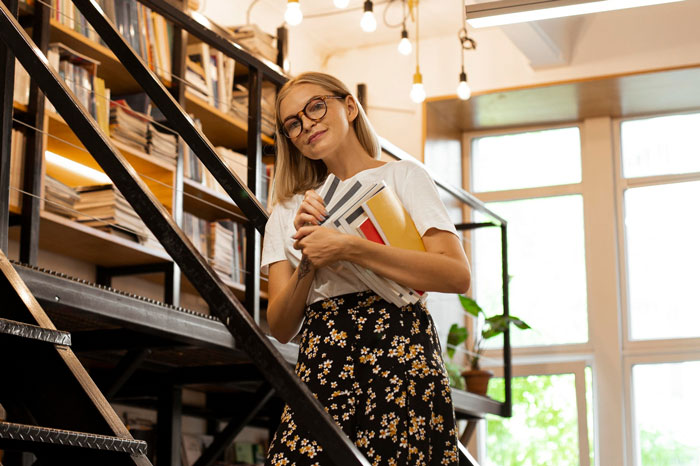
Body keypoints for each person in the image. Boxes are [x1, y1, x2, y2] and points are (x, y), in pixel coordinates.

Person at [262, 72, 471, 466]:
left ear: (350, 106)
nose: (307, 123)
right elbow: (280, 327)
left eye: (316, 106)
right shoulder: (288, 211)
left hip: (401, 348)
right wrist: (309, 258)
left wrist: (350, 247)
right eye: (293, 122)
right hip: (326, 354)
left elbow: (456, 274)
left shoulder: (403, 175)